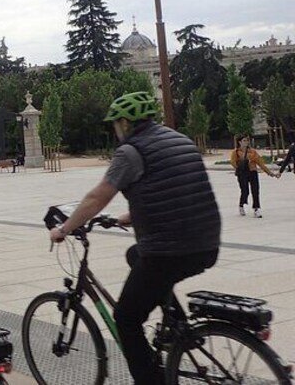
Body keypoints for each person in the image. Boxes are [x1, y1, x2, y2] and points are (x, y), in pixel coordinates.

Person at [49, 92, 221, 385]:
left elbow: (97, 196)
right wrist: (132, 215)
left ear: (126, 123)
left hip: (169, 249)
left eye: (116, 124)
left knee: (127, 320)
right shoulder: (179, 139)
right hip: (207, 242)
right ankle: (177, 327)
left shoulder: (131, 151)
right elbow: (173, 186)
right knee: (134, 254)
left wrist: (64, 228)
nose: (115, 130)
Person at [230, 135, 279, 218]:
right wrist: (239, 168)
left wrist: (270, 173)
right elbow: (233, 162)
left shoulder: (253, 152)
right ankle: (241, 205)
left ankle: (256, 209)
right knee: (245, 191)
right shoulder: (236, 152)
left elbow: (261, 163)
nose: (246, 142)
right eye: (244, 140)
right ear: (240, 142)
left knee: (255, 191)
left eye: (247, 140)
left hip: (253, 172)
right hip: (242, 174)